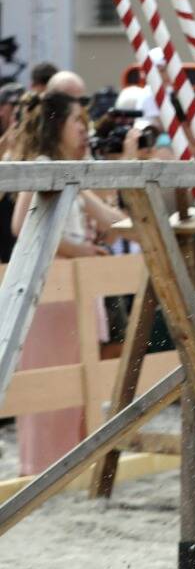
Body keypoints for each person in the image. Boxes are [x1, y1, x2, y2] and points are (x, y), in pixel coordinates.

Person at [7, 91, 122, 473]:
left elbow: (105, 216)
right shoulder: (42, 166)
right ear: (59, 124)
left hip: (73, 288)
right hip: (52, 290)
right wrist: (80, 251)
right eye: (77, 121)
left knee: (80, 376)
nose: (84, 130)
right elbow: (21, 225)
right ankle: (42, 465)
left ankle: (71, 460)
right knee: (51, 379)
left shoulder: (71, 168)